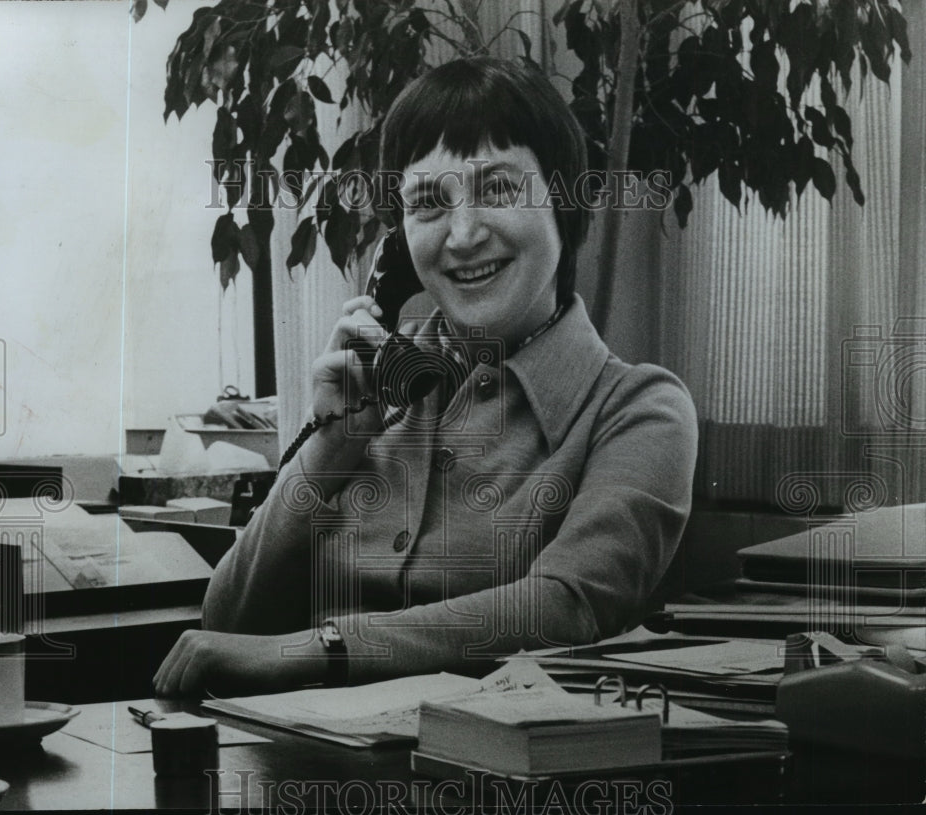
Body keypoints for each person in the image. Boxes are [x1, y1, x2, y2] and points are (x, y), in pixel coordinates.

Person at [153, 57, 697, 698]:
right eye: (427, 203)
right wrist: (331, 444)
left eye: (498, 190)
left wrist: (319, 649)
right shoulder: (374, 384)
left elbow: (567, 608)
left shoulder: (638, 410)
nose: (463, 235)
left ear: (564, 205)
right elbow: (226, 623)